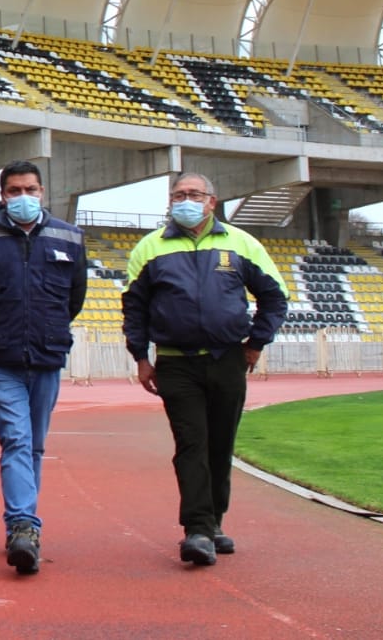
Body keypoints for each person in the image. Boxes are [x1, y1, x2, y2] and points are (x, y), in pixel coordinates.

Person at [120, 171, 287, 567]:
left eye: (194, 194)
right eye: (178, 195)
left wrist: (256, 343)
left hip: (228, 358)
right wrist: (140, 357)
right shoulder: (150, 247)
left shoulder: (242, 244)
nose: (186, 200)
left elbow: (275, 297)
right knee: (192, 443)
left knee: (220, 443)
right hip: (176, 363)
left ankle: (214, 522)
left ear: (212, 201)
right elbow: (134, 306)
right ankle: (196, 528)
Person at [0, 162, 85, 575]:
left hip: (47, 355)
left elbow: (74, 298)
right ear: (2, 193)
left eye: (29, 188)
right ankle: (22, 524)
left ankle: (26, 523)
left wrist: (51, 329)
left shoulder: (69, 236)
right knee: (16, 439)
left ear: (42, 191)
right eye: (13, 190)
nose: (22, 196)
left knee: (35, 444)